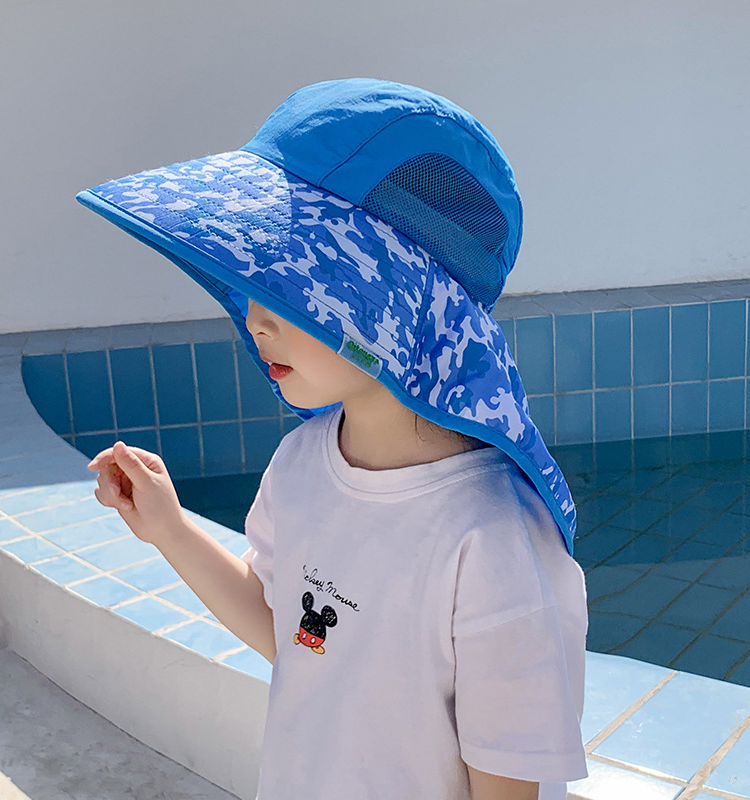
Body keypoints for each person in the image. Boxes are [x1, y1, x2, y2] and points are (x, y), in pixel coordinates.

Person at [81, 78, 588, 800]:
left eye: (290, 288)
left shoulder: (493, 537)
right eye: (254, 284)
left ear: (387, 304)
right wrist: (168, 528)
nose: (256, 319)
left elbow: (507, 784)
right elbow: (296, 637)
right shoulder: (302, 463)